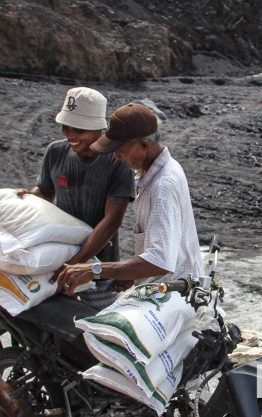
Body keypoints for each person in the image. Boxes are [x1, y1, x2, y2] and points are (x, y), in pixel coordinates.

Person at [56, 103, 204, 295]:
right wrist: (131, 275)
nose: (116, 156)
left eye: (121, 150)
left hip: (174, 295)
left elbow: (159, 260)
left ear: (144, 145)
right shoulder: (153, 172)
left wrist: (94, 270)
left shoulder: (163, 186)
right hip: (160, 287)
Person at [16, 87, 136, 307]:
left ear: (99, 128)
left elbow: (112, 221)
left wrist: (75, 265)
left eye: (79, 129)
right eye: (65, 127)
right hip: (57, 260)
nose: (70, 135)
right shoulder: (56, 152)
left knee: (90, 333)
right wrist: (27, 198)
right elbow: (45, 191)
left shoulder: (116, 161)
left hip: (98, 268)